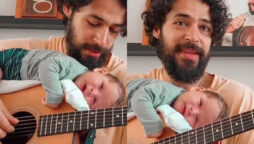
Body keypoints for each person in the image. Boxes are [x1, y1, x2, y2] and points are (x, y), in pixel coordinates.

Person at [0, 0, 127, 143]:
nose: (102, 41)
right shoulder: (16, 48)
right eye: (93, 23)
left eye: (114, 30)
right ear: (68, 7)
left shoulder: (127, 87)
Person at [128, 0, 254, 144]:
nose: (194, 37)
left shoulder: (241, 99)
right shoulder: (123, 89)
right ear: (157, 29)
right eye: (181, 23)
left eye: (204, 27)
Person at [0, 48, 125, 109]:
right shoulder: (73, 67)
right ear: (100, 71)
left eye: (94, 100)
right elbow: (47, 66)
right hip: (13, 62)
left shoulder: (73, 99)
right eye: (101, 86)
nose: (93, 92)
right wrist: (55, 97)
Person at [127, 79, 228, 138]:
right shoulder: (167, 91)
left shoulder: (176, 127)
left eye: (196, 120)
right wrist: (153, 126)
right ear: (197, 89)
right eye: (199, 103)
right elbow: (139, 98)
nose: (193, 111)